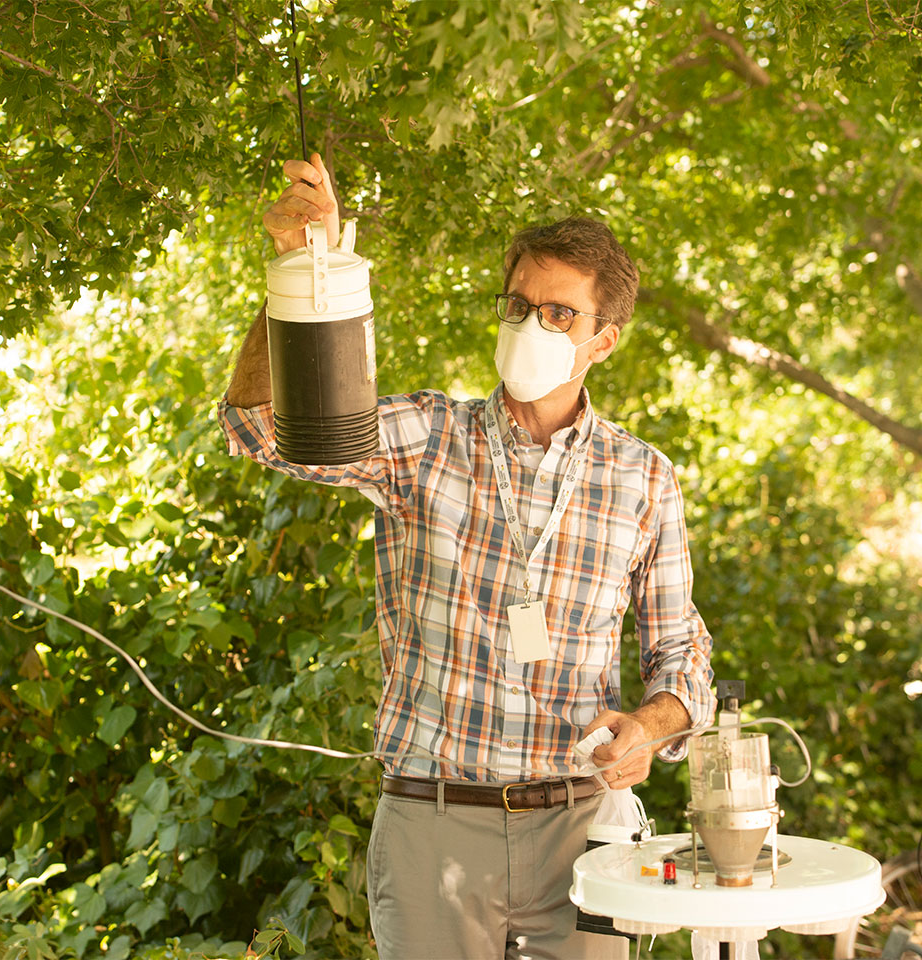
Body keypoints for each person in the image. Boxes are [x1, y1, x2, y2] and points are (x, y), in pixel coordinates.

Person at [219, 152, 715, 960]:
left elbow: (681, 655)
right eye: (519, 305)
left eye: (558, 313)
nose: (530, 325)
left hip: (582, 833)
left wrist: (651, 728)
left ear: (604, 340)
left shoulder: (643, 477)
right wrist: (297, 269)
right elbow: (259, 429)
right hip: (433, 824)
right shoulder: (424, 436)